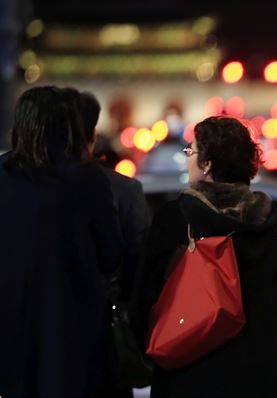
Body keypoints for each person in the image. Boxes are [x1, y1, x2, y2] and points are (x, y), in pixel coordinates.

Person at [130, 116, 277, 398]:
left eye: (191, 152)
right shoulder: (272, 218)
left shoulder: (177, 218)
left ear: (207, 164)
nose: (188, 159)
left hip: (190, 368)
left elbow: (144, 297)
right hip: (261, 373)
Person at [0, 86, 123, 397]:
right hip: (72, 327)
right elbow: (111, 254)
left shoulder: (3, 174)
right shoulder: (87, 180)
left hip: (10, 327)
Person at [67, 88, 150, 396]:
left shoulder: (29, 189)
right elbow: (138, 263)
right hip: (105, 332)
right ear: (92, 133)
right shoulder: (123, 190)